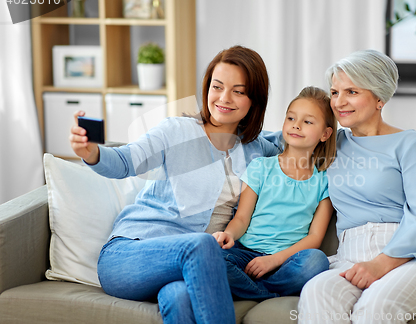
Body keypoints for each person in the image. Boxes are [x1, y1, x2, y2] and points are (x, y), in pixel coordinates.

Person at [69, 45, 282, 324]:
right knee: (203, 245)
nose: (224, 98)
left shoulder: (256, 149)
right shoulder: (176, 131)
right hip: (130, 256)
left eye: (238, 91)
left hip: (187, 269)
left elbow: (297, 135)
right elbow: (125, 161)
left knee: (179, 298)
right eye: (217, 87)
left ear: (255, 100)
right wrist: (92, 153)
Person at [298, 50, 416, 324]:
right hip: (352, 256)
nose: (339, 102)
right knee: (316, 292)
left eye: (351, 91)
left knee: (376, 307)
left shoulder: (412, 144)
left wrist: (381, 263)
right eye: (335, 92)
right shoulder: (330, 142)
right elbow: (277, 135)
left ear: (379, 98)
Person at [212, 86, 336, 300]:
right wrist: (229, 235)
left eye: (308, 122)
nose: (296, 125)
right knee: (210, 257)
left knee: (317, 261)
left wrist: (274, 260)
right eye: (291, 118)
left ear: (325, 134)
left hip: (287, 261)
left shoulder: (324, 181)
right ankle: (266, 292)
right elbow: (241, 218)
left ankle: (251, 289)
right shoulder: (261, 167)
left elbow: (315, 238)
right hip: (246, 253)